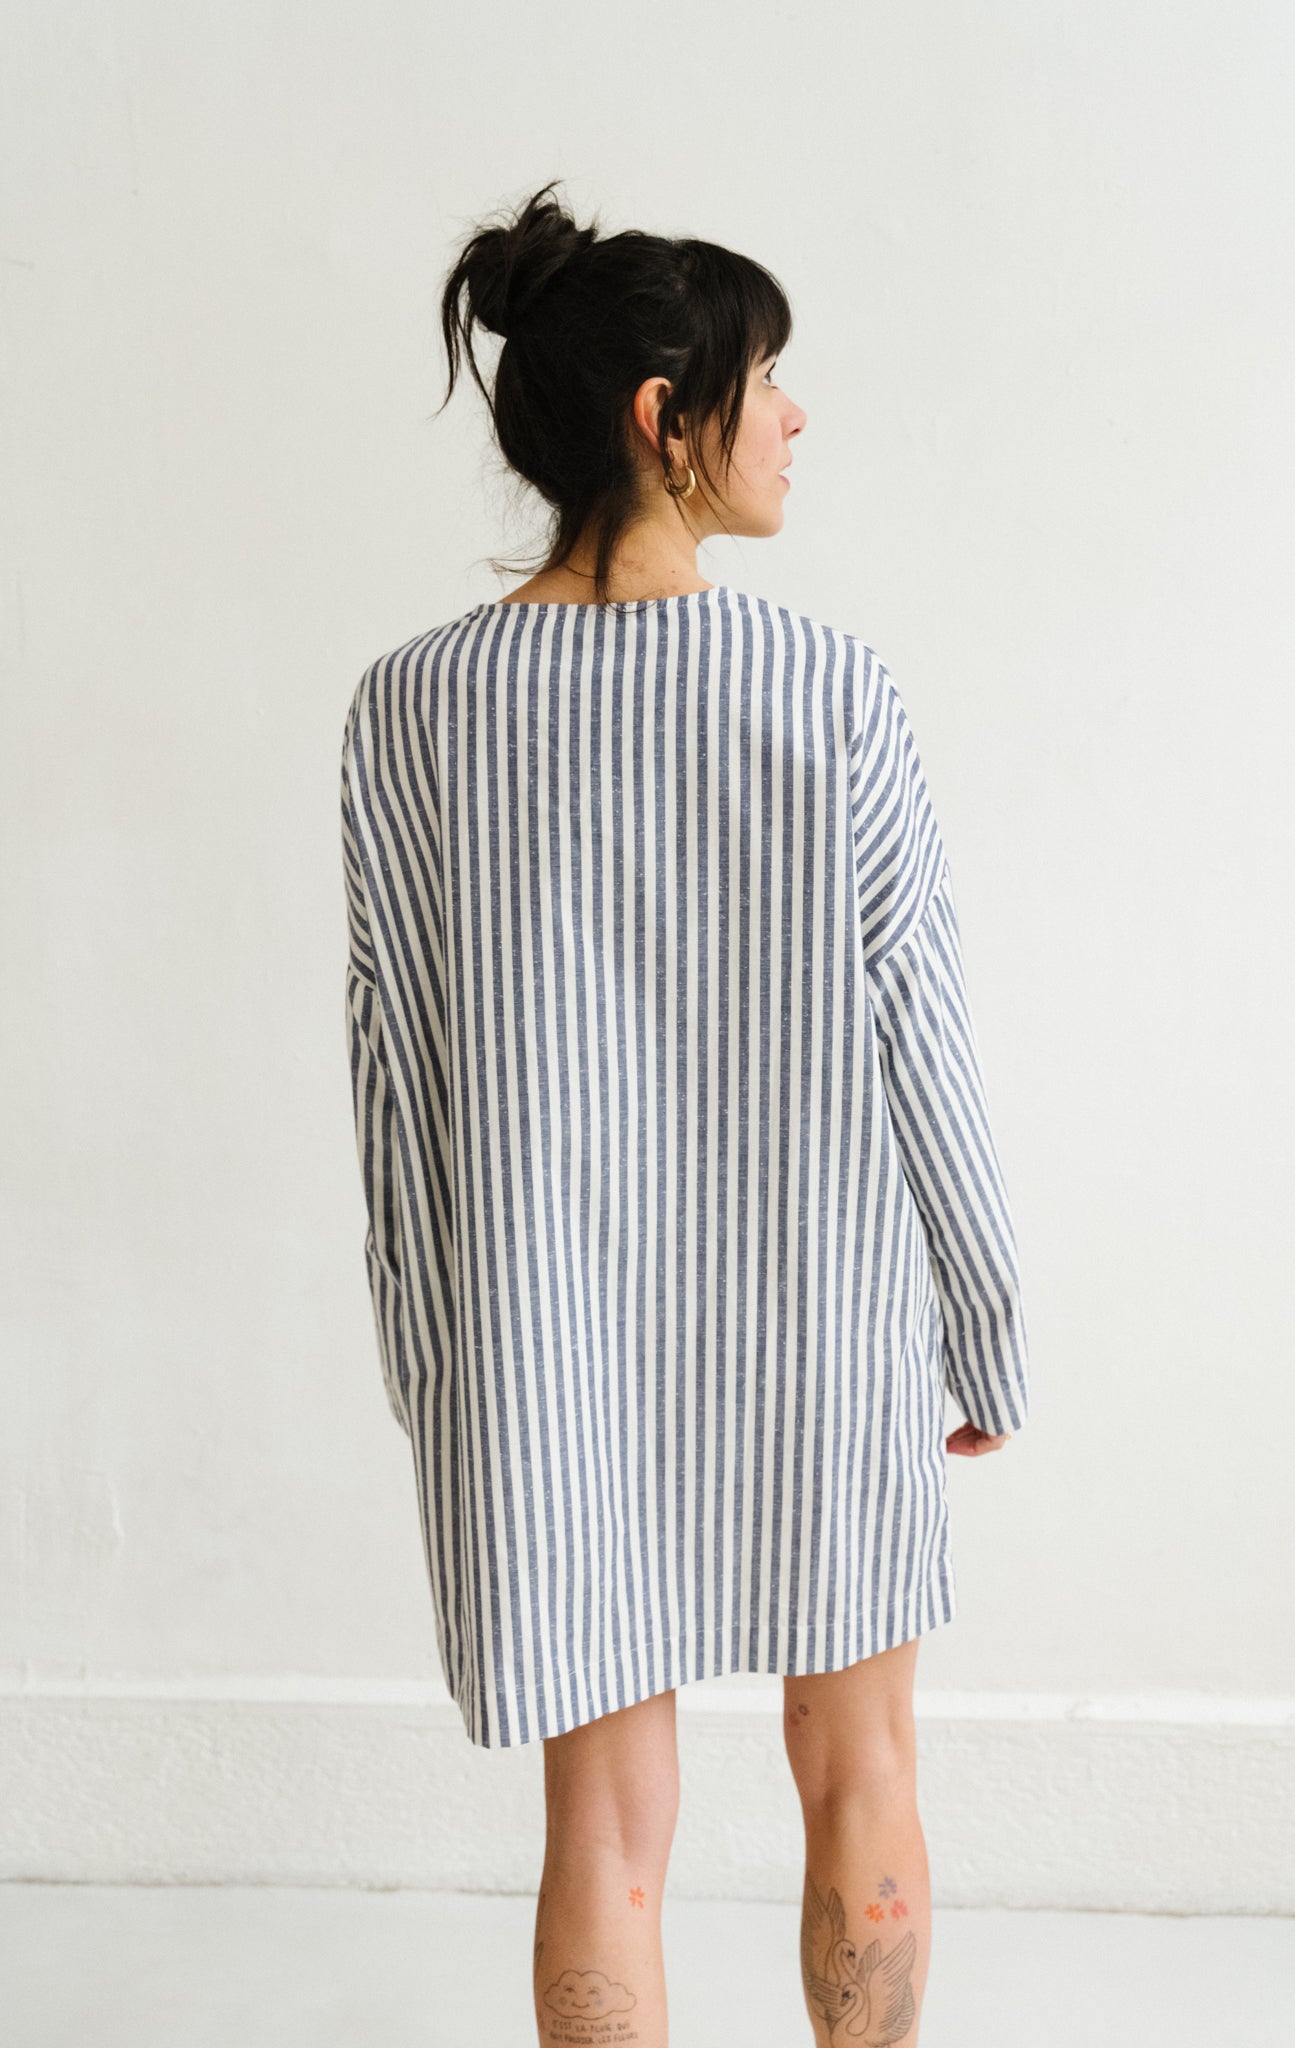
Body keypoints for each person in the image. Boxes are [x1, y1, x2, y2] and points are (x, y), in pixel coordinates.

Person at [340, 178, 1031, 2048]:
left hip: (546, 1343)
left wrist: (436, 1363)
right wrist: (983, 1319)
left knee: (603, 1830)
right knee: (861, 1762)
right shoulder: (824, 689)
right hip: (819, 1321)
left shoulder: (410, 713)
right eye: (767, 379)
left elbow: (396, 1083)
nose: (795, 417)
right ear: (666, 415)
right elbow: (921, 1035)